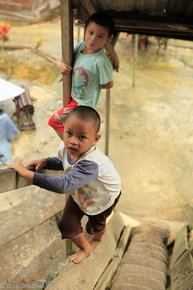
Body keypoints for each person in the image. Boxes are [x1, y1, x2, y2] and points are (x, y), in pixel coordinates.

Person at [10, 106, 121, 264]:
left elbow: (64, 185)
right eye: (69, 133)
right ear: (64, 130)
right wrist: (46, 161)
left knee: (93, 228)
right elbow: (63, 162)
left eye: (82, 137)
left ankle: (97, 237)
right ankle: (86, 249)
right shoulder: (66, 147)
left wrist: (29, 175)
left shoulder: (92, 163)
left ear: (95, 139)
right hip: (81, 194)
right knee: (67, 225)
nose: (73, 141)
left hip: (103, 198)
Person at [48, 12, 115, 139]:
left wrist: (93, 84)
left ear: (108, 39)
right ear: (85, 30)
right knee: (74, 129)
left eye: (100, 36)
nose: (93, 39)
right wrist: (59, 64)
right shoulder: (81, 46)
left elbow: (108, 84)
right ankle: (76, 146)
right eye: (91, 33)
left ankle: (70, 146)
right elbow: (65, 59)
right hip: (73, 98)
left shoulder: (101, 61)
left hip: (83, 103)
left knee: (54, 121)